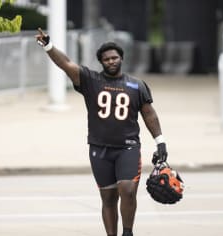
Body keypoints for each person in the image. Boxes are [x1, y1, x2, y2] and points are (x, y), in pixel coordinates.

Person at [35, 28, 168, 236]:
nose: (111, 61)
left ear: (121, 58)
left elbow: (149, 114)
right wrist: (48, 46)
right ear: (101, 62)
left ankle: (127, 232)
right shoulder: (91, 80)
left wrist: (160, 141)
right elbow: (66, 64)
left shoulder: (136, 85)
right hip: (100, 148)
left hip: (128, 147)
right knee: (108, 198)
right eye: (106, 59)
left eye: (115, 58)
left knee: (128, 190)